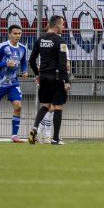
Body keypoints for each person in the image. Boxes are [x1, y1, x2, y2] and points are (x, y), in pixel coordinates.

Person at [28, 15, 71, 146]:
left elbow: (31, 60)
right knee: (57, 107)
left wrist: (37, 74)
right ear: (56, 25)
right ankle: (55, 139)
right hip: (56, 77)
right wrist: (67, 81)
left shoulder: (40, 39)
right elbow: (63, 64)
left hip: (44, 77)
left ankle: (35, 128)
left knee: (45, 106)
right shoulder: (61, 41)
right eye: (62, 24)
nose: (63, 27)